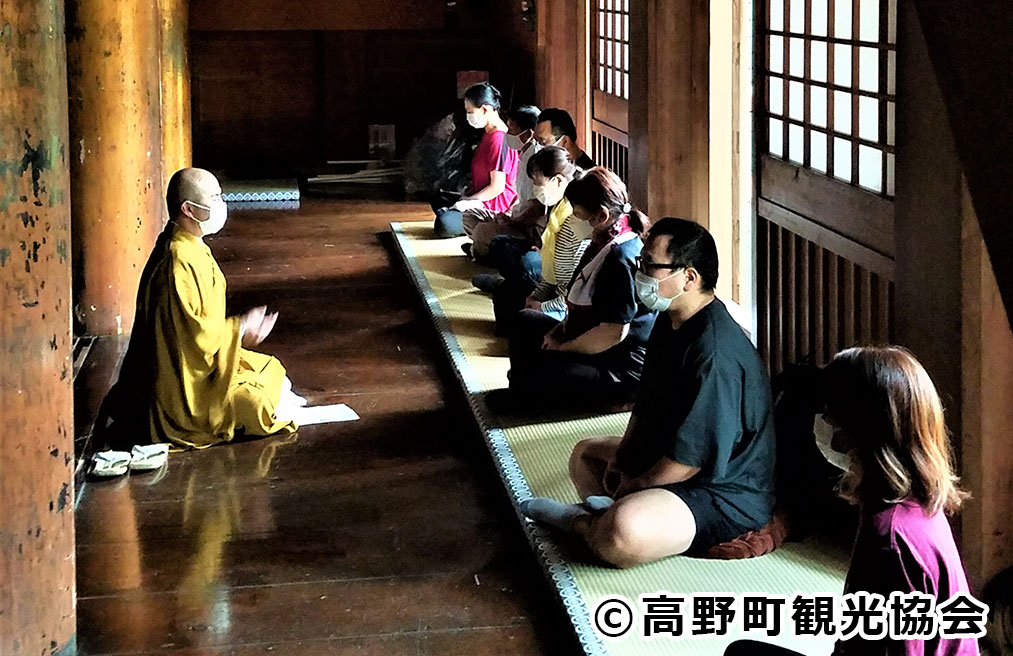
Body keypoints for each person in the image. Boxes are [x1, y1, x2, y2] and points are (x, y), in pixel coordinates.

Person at [519, 217, 776, 568]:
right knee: (587, 456)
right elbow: (645, 404)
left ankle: (580, 521)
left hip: (719, 490)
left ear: (689, 277)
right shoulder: (672, 320)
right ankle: (606, 515)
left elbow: (690, 459)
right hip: (667, 459)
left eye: (651, 266)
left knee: (623, 535)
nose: (640, 273)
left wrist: (636, 484)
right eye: (641, 263)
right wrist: (624, 458)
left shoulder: (714, 353)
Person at [724, 346, 979, 655]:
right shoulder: (916, 502)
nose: (823, 424)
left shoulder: (891, 536)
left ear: (860, 429)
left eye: (830, 416)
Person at [99, 168, 299, 449]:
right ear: (189, 209)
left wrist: (237, 332)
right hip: (180, 386)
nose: (222, 204)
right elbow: (194, 338)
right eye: (215, 198)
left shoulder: (192, 244)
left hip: (202, 365)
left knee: (272, 369)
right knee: (256, 405)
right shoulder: (176, 260)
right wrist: (240, 328)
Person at [499, 167, 655, 410]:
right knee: (524, 321)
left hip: (618, 367)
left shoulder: (622, 256)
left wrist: (563, 347)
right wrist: (558, 331)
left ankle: (527, 392)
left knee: (541, 367)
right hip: (589, 340)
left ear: (601, 216)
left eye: (579, 215)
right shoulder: (601, 243)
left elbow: (613, 333)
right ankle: (522, 390)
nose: (573, 222)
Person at [489, 146, 588, 331]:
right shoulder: (558, 209)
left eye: (538, 183)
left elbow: (572, 294)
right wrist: (535, 297)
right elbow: (551, 276)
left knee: (525, 318)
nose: (536, 189)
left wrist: (541, 306)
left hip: (565, 308)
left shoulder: (576, 225)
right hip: (554, 292)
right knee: (506, 293)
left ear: (558, 181)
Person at [433, 83, 519, 238]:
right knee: (438, 197)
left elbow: (497, 188)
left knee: (444, 224)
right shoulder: (488, 135)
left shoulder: (499, 140)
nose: (468, 117)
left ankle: (479, 224)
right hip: (478, 197)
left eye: (470, 112)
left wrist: (468, 200)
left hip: (492, 205)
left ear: (485, 109)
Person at [461, 104, 544, 259]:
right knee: (469, 216)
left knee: (481, 231)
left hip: (526, 227)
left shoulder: (537, 161)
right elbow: (520, 197)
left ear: (527, 134)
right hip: (513, 216)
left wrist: (511, 222)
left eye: (512, 129)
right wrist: (507, 215)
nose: (507, 133)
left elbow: (536, 209)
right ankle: (487, 247)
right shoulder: (523, 154)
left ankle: (485, 250)